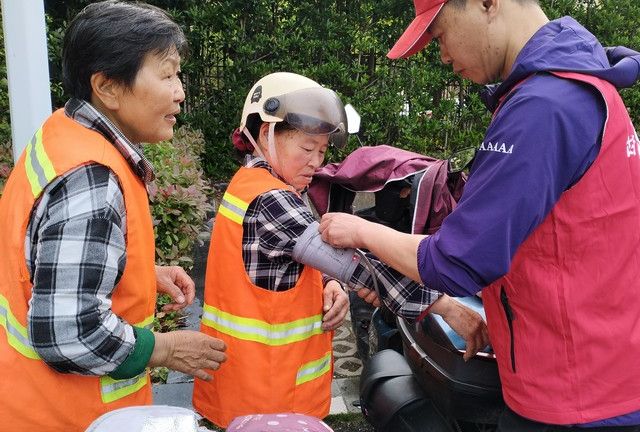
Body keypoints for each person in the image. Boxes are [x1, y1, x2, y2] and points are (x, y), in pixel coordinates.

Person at [319, 0, 640, 430]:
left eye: (440, 35)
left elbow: (456, 260)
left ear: (488, 4)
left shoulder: (544, 107)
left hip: (575, 395)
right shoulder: (581, 87)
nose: (443, 55)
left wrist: (360, 230)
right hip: (602, 365)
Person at [191, 72, 486, 428]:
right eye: (306, 148)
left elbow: (293, 256)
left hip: (249, 388)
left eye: (322, 151)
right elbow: (356, 266)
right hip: (266, 398)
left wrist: (328, 282)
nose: (316, 162)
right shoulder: (272, 199)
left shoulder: (251, 184)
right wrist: (445, 307)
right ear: (266, 133)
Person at [0, 2, 226, 430]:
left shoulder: (63, 132)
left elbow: (41, 260)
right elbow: (71, 333)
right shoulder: (91, 179)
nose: (180, 92)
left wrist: (136, 271)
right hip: (67, 419)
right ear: (107, 87)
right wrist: (165, 349)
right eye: (166, 75)